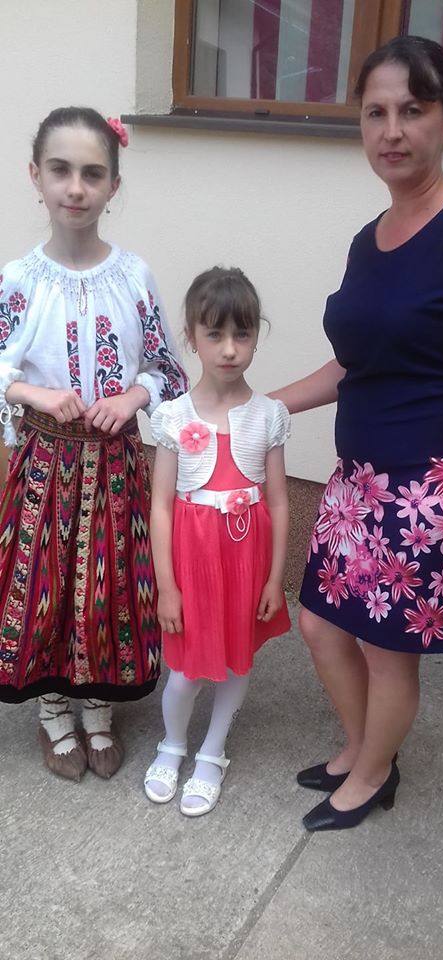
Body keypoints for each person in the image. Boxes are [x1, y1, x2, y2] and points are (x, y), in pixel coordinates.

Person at [271, 36, 443, 832]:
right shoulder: (368, 239)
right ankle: (362, 748)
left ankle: (371, 774)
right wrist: (262, 408)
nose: (391, 131)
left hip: (428, 490)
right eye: (374, 113)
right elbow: (355, 363)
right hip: (355, 485)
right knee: (319, 622)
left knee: (387, 649)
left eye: (411, 111)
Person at [0, 107, 188, 781]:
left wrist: (133, 396)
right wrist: (35, 394)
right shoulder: (19, 281)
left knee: (107, 586)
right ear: (36, 176)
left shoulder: (134, 277)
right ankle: (54, 708)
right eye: (60, 170)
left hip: (114, 464)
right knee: (48, 584)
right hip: (45, 464)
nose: (75, 187)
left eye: (91, 173)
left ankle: (98, 706)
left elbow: (168, 368)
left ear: (113, 185)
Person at [144, 266, 291, 816]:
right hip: (192, 563)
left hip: (246, 560)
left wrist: (275, 580)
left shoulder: (268, 415)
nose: (230, 349)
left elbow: (279, 502)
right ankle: (172, 744)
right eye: (215, 334)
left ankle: (212, 750)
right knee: (185, 674)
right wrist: (167, 587)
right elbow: (161, 505)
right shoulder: (172, 416)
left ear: (256, 335)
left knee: (236, 663)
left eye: (242, 334)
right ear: (192, 337)